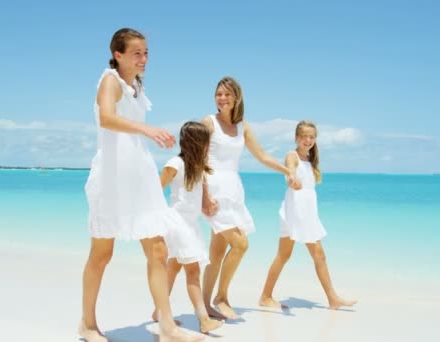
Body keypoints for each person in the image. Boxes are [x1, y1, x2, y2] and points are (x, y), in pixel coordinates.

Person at [80, 28, 203, 342]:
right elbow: (106, 118)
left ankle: (167, 326)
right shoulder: (110, 80)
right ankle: (88, 324)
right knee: (102, 253)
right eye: (137, 53)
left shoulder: (136, 86)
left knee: (158, 250)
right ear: (118, 55)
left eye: (146, 52)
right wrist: (146, 129)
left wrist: (144, 134)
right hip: (112, 176)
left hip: (140, 174)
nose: (144, 58)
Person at [200, 77, 298, 319]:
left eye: (227, 95)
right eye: (218, 94)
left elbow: (262, 156)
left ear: (237, 98)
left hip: (232, 190)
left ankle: (204, 306)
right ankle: (221, 298)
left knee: (216, 254)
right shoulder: (208, 122)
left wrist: (287, 171)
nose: (222, 98)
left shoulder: (243, 127)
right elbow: (198, 162)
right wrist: (204, 197)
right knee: (241, 244)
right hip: (212, 190)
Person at [258, 120, 357, 310]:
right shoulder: (292, 155)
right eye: (304, 137)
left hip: (307, 212)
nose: (308, 140)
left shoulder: (310, 160)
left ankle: (266, 296)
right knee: (309, 255)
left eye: (312, 137)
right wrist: (291, 180)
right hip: (296, 211)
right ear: (297, 138)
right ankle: (331, 299)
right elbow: (290, 173)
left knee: (291, 255)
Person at [153, 121, 225, 334]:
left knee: (174, 268)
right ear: (195, 143)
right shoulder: (175, 163)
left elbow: (204, 206)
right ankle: (203, 320)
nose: (208, 146)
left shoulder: (199, 170)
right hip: (176, 223)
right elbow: (156, 191)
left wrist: (211, 206)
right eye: (206, 142)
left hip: (191, 225)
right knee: (193, 271)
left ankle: (159, 312)